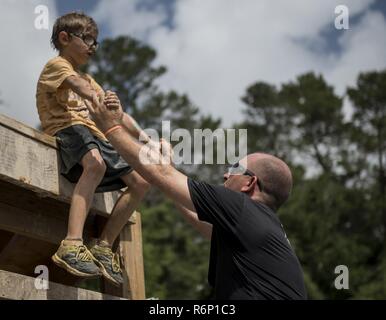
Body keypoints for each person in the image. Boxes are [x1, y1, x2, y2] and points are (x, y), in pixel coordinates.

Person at [85, 92, 308, 300]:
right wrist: (168, 177)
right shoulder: (260, 227)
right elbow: (198, 218)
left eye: (234, 168)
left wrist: (110, 127)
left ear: (250, 183)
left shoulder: (242, 208)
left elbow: (160, 174)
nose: (225, 174)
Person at [35, 12, 151, 286]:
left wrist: (145, 137)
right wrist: (98, 98)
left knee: (141, 182)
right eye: (87, 39)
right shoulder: (57, 65)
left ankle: (103, 245)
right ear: (65, 38)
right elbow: (78, 86)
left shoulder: (89, 79)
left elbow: (120, 116)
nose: (92, 47)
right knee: (95, 163)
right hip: (68, 128)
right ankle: (71, 243)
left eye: (96, 42)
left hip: (95, 136)